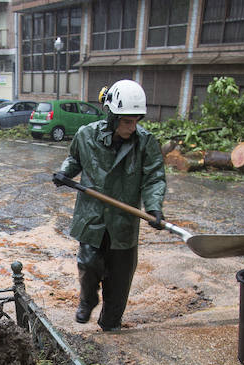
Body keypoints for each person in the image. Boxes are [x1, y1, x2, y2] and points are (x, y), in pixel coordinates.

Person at [53, 79, 167, 332]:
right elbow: (74, 159)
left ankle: (111, 323)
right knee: (88, 264)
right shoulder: (86, 135)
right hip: (92, 215)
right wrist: (64, 173)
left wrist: (154, 208)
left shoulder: (145, 142)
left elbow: (154, 177)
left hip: (123, 222)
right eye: (126, 121)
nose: (132, 127)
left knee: (120, 279)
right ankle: (88, 299)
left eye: (136, 121)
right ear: (112, 116)